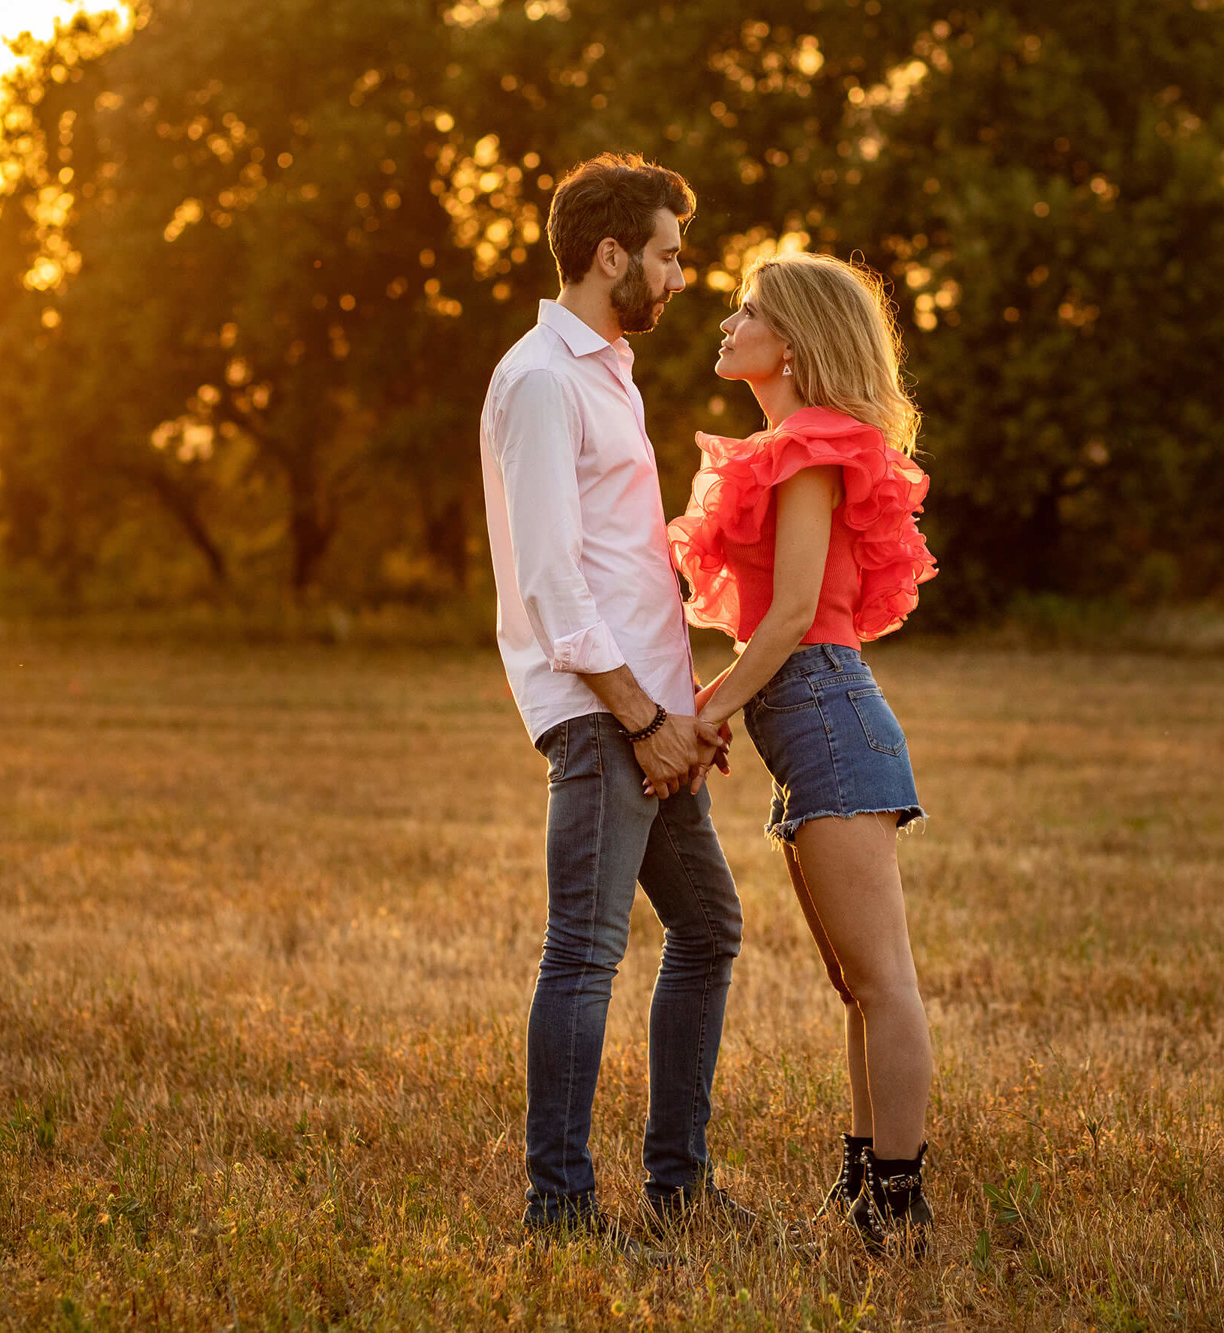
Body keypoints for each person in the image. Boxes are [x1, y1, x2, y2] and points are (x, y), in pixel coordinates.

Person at [479, 153, 748, 1256]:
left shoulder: (608, 371)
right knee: (583, 952)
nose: (682, 276)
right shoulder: (541, 378)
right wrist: (642, 717)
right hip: (600, 715)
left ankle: (677, 1184)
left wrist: (679, 709)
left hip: (647, 708)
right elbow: (550, 581)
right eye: (670, 255)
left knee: (708, 925)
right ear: (609, 256)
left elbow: (626, 563)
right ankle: (558, 1205)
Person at [666, 250, 938, 1255]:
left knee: (883, 982)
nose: (726, 324)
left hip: (825, 713)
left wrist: (706, 710)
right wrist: (727, 703)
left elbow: (784, 621)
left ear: (791, 340)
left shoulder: (811, 450)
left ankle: (898, 1208)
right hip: (813, 723)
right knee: (855, 986)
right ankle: (864, 1185)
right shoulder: (786, 446)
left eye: (746, 312)